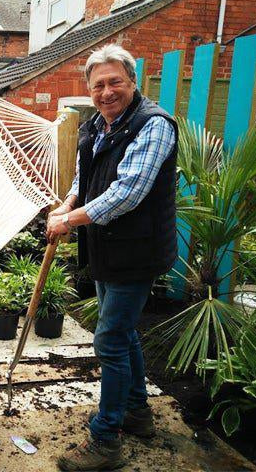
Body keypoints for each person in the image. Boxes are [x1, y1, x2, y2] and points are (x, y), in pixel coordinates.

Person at [47, 43, 178, 471]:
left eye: (115, 82)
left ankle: (106, 441)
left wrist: (70, 222)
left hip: (136, 253)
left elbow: (128, 193)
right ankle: (136, 412)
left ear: (132, 81)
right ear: (90, 89)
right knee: (123, 335)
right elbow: (84, 182)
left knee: (109, 340)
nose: (106, 92)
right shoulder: (96, 126)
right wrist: (66, 205)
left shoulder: (153, 125)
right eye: (98, 85)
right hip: (107, 251)